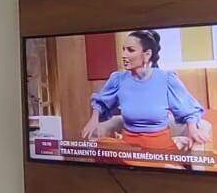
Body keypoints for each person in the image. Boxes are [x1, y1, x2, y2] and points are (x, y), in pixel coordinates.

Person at [80, 29, 209, 162]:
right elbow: (101, 102)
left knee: (151, 164)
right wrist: (94, 119)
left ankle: (158, 164)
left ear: (147, 55)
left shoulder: (166, 79)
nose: (124, 55)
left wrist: (193, 129)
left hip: (159, 150)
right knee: (102, 146)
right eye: (123, 49)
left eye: (130, 50)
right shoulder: (118, 79)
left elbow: (188, 109)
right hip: (129, 149)